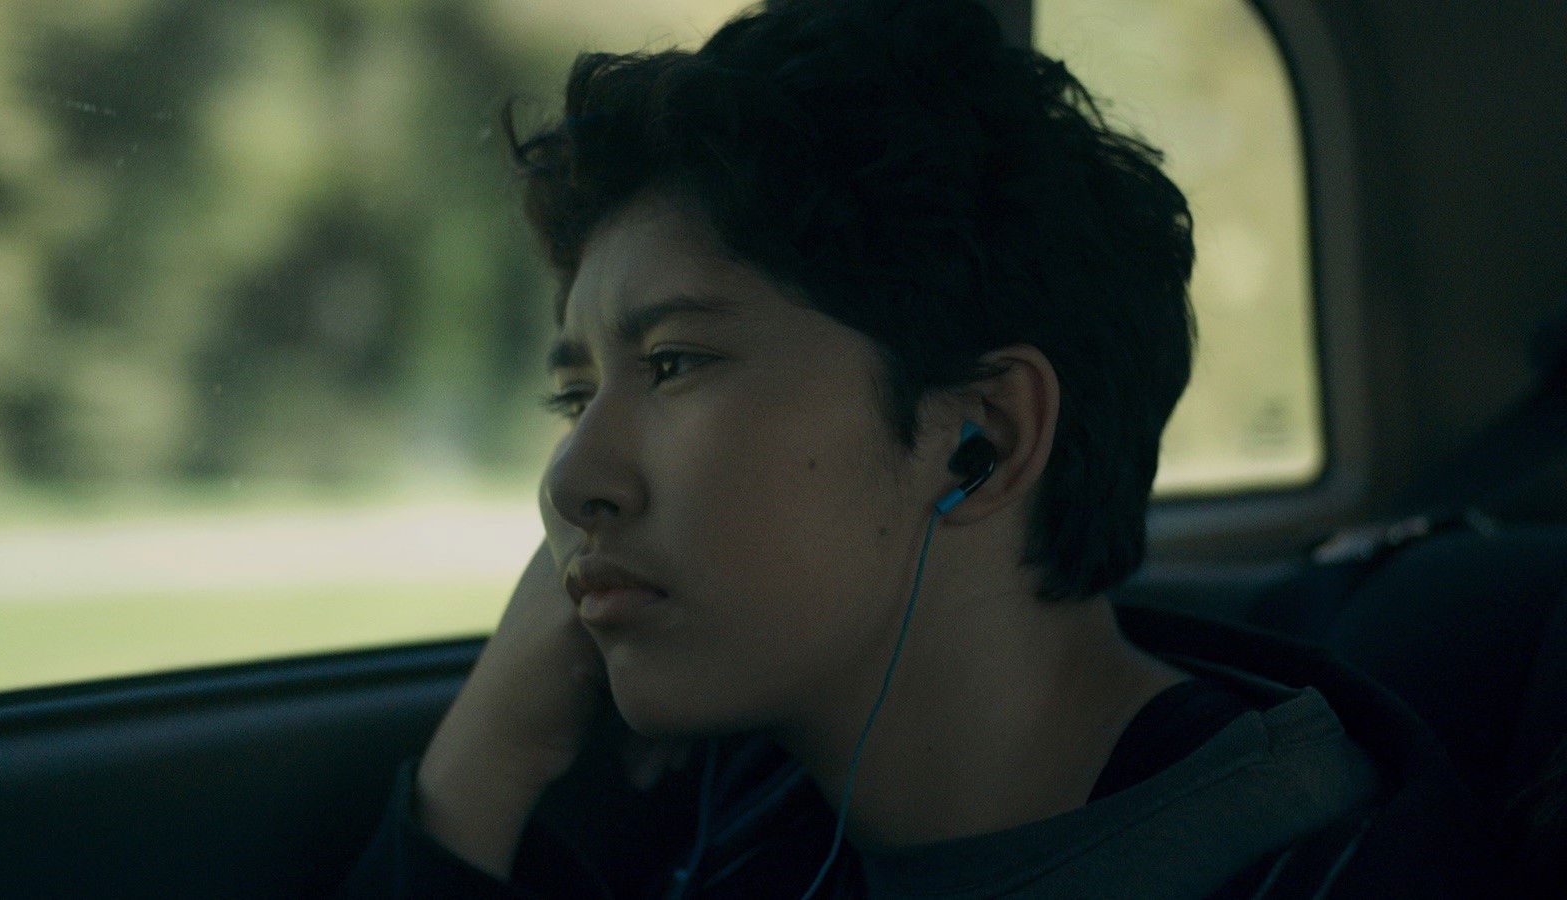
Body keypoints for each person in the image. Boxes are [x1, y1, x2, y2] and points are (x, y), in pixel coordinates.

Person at [344, 0, 1486, 895]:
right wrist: (487, 755)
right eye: (575, 396)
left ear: (982, 437)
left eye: (676, 364)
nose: (571, 480)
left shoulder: (1292, 868)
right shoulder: (763, 808)